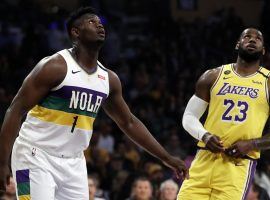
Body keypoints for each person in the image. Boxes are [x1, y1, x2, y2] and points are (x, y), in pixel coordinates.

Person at [0, 7, 187, 200]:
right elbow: (15, 110)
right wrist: (1, 162)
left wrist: (166, 158)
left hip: (74, 163)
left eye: (100, 22)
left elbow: (129, 122)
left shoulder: (108, 79)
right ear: (76, 32)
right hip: (34, 155)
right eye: (91, 22)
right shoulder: (54, 66)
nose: (99, 25)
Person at [178, 28, 270, 199]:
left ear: (263, 50)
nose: (252, 40)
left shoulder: (268, 81)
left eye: (258, 38)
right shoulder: (213, 76)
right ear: (238, 44)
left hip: (238, 164)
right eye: (247, 36)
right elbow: (189, 117)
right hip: (204, 159)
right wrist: (204, 135)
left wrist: (252, 144)